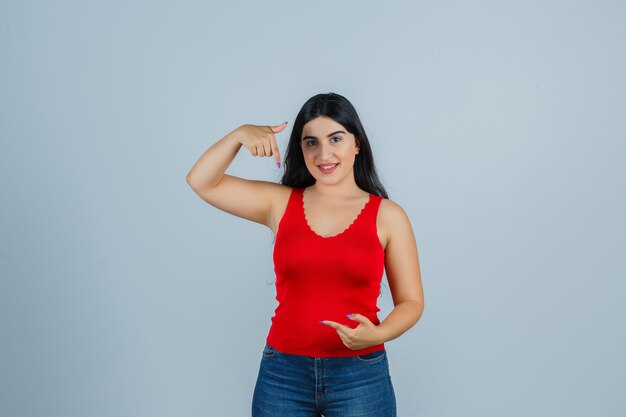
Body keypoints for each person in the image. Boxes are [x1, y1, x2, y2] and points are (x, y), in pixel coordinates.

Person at [186, 92, 424, 417]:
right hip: (283, 373)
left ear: (357, 143)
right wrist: (239, 135)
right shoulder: (280, 203)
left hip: (360, 374)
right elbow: (202, 182)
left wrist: (379, 333)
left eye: (336, 138)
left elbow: (411, 301)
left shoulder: (388, 216)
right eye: (311, 142)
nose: (323, 153)